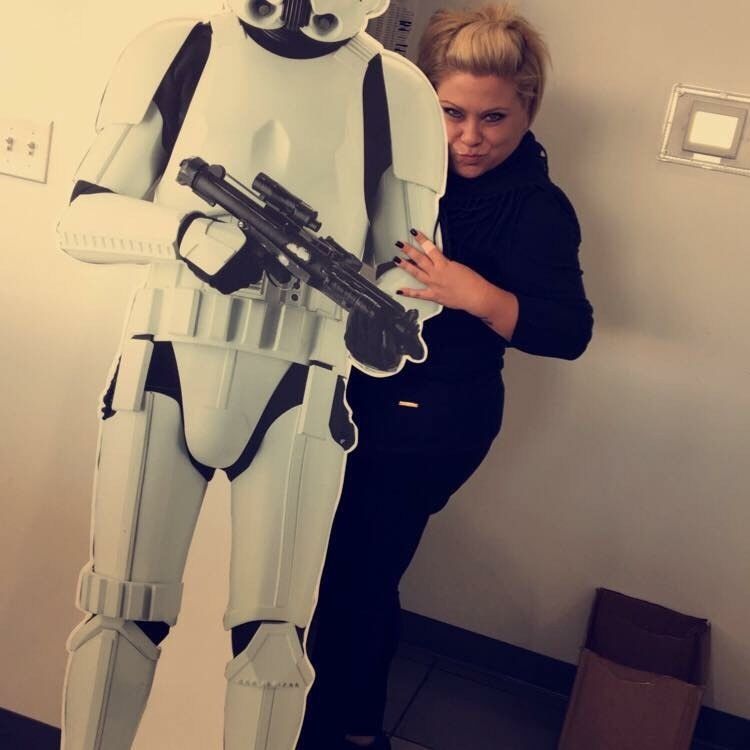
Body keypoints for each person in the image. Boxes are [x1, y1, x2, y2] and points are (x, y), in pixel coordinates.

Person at [56, 2, 448, 748]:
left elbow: (414, 261)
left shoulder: (395, 88)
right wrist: (185, 233)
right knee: (117, 614)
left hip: (302, 381)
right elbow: (82, 217)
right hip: (167, 358)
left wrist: (387, 310)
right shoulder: (180, 48)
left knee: (274, 642)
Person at [298, 4, 594, 749]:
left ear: (528, 110)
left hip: (433, 422)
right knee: (326, 570)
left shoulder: (537, 208)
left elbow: (568, 332)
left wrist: (477, 294)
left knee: (357, 578)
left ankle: (349, 731)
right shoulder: (404, 167)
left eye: (494, 117)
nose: (470, 137)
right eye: (452, 112)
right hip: (356, 394)